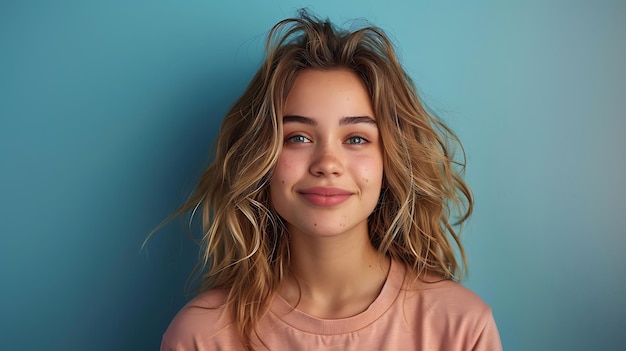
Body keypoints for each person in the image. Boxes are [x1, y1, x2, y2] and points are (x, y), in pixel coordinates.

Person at [160, 11, 502, 351]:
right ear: (259, 158)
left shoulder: (461, 328)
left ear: (391, 160)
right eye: (298, 137)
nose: (327, 164)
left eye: (356, 138)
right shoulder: (201, 336)